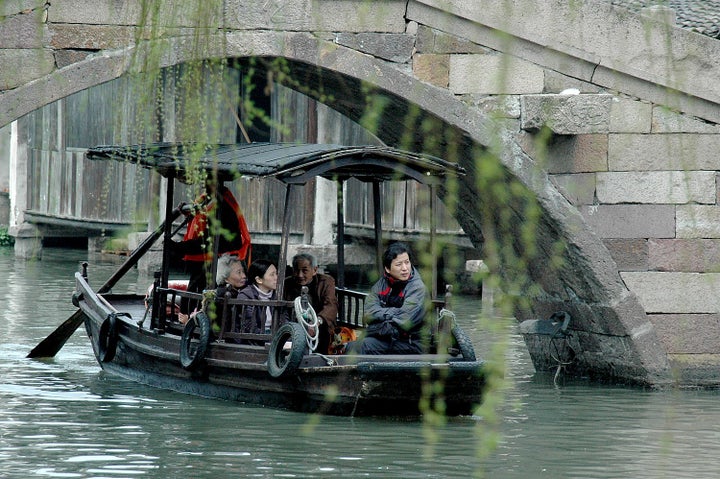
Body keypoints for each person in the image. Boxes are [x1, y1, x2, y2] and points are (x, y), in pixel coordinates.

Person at [168, 181, 251, 309]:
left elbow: (212, 241)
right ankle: (188, 317)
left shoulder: (223, 206)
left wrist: (180, 247)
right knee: (193, 294)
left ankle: (193, 319)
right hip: (207, 260)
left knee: (203, 296)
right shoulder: (207, 200)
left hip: (218, 262)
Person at [352, 242, 428, 355]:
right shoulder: (382, 283)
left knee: (363, 346)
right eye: (399, 264)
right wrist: (394, 312)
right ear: (387, 269)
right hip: (390, 337)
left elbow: (404, 320)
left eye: (407, 263)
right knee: (353, 345)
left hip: (413, 342)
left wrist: (380, 316)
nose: (405, 268)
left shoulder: (417, 288)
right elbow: (368, 313)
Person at [283, 253, 338, 354]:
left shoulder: (326, 282)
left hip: (320, 327)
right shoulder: (287, 283)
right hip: (293, 326)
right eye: (296, 270)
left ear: (315, 270)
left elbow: (331, 305)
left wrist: (317, 322)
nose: (300, 275)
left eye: (304, 270)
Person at [237, 259, 287, 340]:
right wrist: (274, 340)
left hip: (274, 338)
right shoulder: (246, 296)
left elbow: (284, 321)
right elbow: (250, 327)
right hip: (252, 341)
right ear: (259, 280)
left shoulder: (277, 295)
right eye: (272, 274)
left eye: (276, 274)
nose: (276, 278)